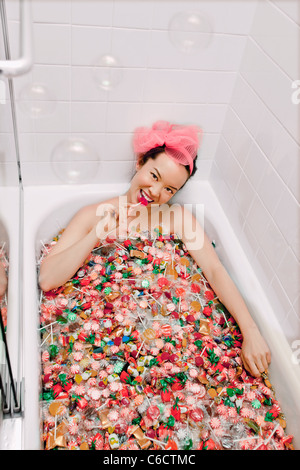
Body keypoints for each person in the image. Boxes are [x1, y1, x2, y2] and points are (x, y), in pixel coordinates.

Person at [39, 120, 271, 379]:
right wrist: (97, 233)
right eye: (154, 176)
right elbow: (48, 280)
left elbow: (215, 271)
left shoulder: (177, 218)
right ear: (140, 163)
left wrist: (251, 331)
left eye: (169, 189)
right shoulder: (92, 215)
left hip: (169, 339)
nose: (155, 192)